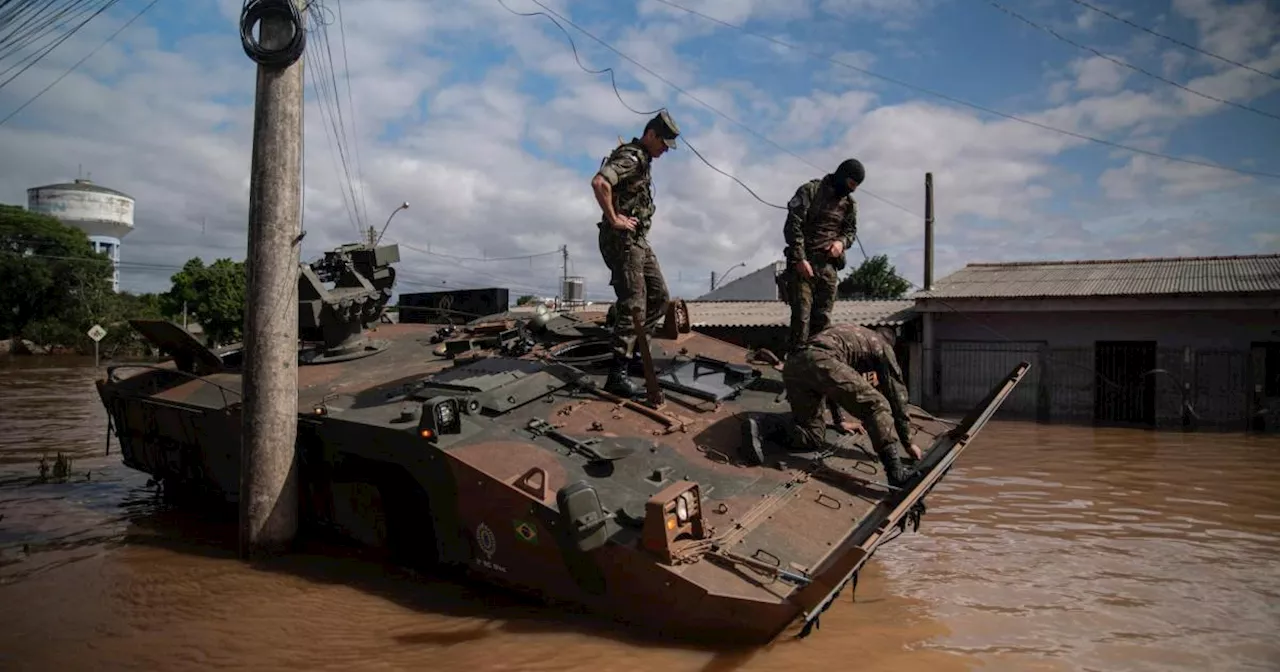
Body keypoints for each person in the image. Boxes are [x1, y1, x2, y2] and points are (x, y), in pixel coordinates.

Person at [590, 110, 680, 397]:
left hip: (638, 240)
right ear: (650, 134)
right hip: (623, 240)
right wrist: (615, 218)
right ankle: (618, 372)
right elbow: (600, 182)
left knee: (660, 296)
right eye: (663, 142)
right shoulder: (632, 157)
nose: (665, 149)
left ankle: (637, 353)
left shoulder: (644, 160)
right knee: (633, 304)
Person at [783, 322, 923, 487]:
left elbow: (833, 383)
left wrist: (839, 420)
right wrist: (908, 443)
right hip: (821, 359)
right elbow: (897, 395)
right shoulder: (882, 345)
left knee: (812, 436)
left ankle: (763, 424)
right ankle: (897, 475)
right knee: (877, 405)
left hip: (793, 364)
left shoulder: (849, 331)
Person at [782, 158, 864, 354]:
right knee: (802, 320)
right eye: (851, 184)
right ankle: (796, 370)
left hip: (828, 268)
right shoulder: (810, 191)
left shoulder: (849, 205)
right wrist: (800, 259)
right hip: (804, 266)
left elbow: (851, 232)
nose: (852, 190)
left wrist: (841, 243)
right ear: (843, 176)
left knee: (823, 323)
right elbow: (793, 226)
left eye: (855, 187)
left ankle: (817, 368)